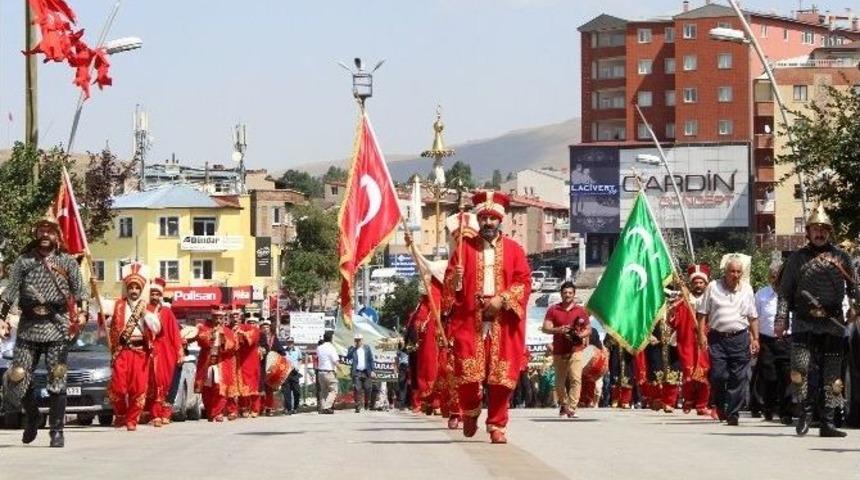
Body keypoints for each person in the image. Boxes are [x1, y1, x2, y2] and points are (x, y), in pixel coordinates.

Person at [442, 190, 531, 444]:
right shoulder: (464, 249)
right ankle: (470, 411)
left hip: (504, 320)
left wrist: (502, 299)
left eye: (493, 218)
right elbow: (448, 288)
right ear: (478, 220)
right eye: (484, 218)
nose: (488, 223)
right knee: (468, 374)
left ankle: (497, 425)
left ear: (500, 220)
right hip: (471, 321)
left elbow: (524, 281)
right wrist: (456, 279)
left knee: (501, 377)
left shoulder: (514, 250)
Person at [0, 217, 88, 448]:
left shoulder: (67, 261)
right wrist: (1, 317)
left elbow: (81, 292)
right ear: (36, 234)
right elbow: (10, 292)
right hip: (29, 325)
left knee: (57, 377)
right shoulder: (24, 261)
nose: (45, 234)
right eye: (41, 230)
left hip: (57, 325)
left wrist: (82, 314)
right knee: (18, 376)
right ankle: (33, 416)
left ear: (57, 235)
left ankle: (56, 431)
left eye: (50, 231)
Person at [776, 205, 858, 437]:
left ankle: (828, 422)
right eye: (815, 229)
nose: (819, 233)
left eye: (823, 229)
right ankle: (804, 415)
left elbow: (854, 287)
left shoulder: (841, 257)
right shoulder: (797, 258)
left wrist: (856, 308)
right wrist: (781, 319)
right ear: (808, 232)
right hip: (804, 320)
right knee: (800, 370)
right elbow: (785, 292)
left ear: (829, 232)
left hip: (833, 321)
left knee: (832, 374)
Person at [697, 255, 759, 426]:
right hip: (717, 338)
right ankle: (721, 404)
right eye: (732, 271)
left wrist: (755, 338)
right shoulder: (713, 287)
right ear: (725, 272)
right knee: (718, 375)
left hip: (740, 338)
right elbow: (702, 313)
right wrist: (701, 335)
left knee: (738, 377)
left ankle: (733, 413)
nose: (735, 275)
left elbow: (753, 316)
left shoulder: (747, 289)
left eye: (738, 272)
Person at [108, 263, 161, 431]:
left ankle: (132, 419)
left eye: (137, 288)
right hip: (122, 351)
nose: (133, 290)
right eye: (131, 287)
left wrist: (145, 314)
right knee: (118, 387)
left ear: (141, 290)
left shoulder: (147, 308)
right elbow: (105, 317)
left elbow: (157, 328)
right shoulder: (118, 305)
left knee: (138, 388)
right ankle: (121, 414)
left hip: (140, 352)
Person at [541, 281, 590, 418]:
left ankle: (572, 408)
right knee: (558, 382)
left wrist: (579, 335)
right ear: (561, 294)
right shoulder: (553, 310)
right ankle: (564, 404)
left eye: (570, 293)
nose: (567, 295)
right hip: (559, 350)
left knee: (576, 378)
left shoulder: (580, 311)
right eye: (565, 293)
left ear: (574, 294)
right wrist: (559, 330)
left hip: (576, 349)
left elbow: (588, 329)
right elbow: (545, 328)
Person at [676, 264, 714, 417]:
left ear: (706, 284)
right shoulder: (684, 300)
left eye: (701, 282)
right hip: (687, 343)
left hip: (706, 341)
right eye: (695, 282)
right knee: (689, 372)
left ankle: (702, 405)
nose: (698, 285)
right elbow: (674, 320)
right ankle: (689, 399)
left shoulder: (711, 299)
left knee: (704, 372)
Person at [144, 277, 182, 427]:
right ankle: (154, 414)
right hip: (148, 352)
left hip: (166, 353)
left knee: (165, 383)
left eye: (157, 294)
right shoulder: (143, 310)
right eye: (152, 294)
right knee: (152, 384)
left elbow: (175, 334)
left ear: (161, 296)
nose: (154, 297)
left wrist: (179, 353)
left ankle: (164, 414)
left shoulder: (167, 312)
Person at [192, 304, 238, 422]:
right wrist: (211, 335)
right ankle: (210, 411)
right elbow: (201, 340)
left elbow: (233, 346)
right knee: (207, 388)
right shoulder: (205, 329)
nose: (218, 320)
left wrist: (223, 340)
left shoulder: (227, 331)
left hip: (221, 363)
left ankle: (217, 412)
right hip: (207, 363)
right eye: (216, 317)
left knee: (219, 388)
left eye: (220, 318)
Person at [235, 313, 262, 418]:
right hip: (241, 362)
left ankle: (255, 409)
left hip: (252, 362)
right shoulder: (240, 328)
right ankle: (244, 408)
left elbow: (251, 338)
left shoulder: (256, 331)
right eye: (249, 322)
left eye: (253, 322)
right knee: (242, 386)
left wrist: (242, 333)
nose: (251, 324)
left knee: (253, 387)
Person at [257, 319, 286, 416]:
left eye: (267, 327)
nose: (265, 329)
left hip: (271, 366)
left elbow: (282, 352)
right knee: (260, 387)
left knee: (269, 388)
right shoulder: (258, 338)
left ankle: (269, 408)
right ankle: (260, 408)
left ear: (270, 328)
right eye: (263, 327)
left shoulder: (274, 339)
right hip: (261, 365)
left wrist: (275, 357)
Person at [347, 332, 375, 413]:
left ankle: (366, 403)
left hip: (366, 371)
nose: (358, 342)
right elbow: (348, 357)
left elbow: (371, 359)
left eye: (359, 340)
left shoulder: (367, 348)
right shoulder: (353, 349)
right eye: (356, 340)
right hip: (357, 372)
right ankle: (358, 406)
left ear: (362, 340)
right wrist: (352, 349)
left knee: (368, 388)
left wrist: (373, 370)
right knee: (357, 389)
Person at [316, 330, 339, 414]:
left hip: (320, 372)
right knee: (334, 390)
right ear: (331, 338)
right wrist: (341, 369)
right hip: (329, 371)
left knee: (323, 391)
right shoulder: (331, 348)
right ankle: (327, 406)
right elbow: (335, 361)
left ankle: (322, 408)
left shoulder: (319, 348)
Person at [282, 337, 303, 414]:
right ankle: (289, 409)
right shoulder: (283, 350)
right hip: (286, 372)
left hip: (294, 372)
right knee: (286, 392)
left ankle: (295, 407)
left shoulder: (297, 350)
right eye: (288, 342)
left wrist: (298, 367)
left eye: (291, 342)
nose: (290, 343)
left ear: (293, 342)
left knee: (297, 391)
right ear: (286, 342)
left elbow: (300, 359)